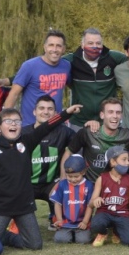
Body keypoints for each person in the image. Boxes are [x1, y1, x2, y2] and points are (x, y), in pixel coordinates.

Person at [0, 104, 82, 250]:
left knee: (35, 245)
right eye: (8, 121)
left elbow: (48, 126)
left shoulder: (27, 142)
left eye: (17, 121)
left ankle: (8, 237)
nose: (14, 124)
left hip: (24, 205)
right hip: (0, 205)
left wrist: (66, 113)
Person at [64, 97, 129, 181]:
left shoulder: (128, 134)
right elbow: (68, 152)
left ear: (121, 115)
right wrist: (63, 178)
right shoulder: (88, 132)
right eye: (110, 112)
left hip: (116, 189)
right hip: (91, 186)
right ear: (102, 115)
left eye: (118, 112)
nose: (115, 116)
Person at [24, 94, 76, 229]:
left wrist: (90, 125)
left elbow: (82, 140)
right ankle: (18, 220)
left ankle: (55, 217)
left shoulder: (65, 132)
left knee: (65, 188)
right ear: (34, 111)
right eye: (41, 108)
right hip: (27, 184)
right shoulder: (23, 133)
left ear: (56, 113)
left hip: (52, 184)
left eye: (50, 109)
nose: (46, 112)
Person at [63, 27, 127, 130]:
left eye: (98, 43)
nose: (95, 47)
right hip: (79, 123)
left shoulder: (114, 58)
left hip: (107, 123)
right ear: (82, 44)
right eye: (90, 43)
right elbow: (51, 65)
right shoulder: (71, 60)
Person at [5, 29, 71, 127]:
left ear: (63, 49)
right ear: (45, 47)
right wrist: (4, 121)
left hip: (55, 126)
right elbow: (14, 94)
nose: (55, 49)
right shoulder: (29, 66)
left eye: (59, 46)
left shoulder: (66, 66)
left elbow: (74, 87)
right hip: (31, 126)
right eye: (51, 45)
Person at [88, 146, 129, 247]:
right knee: (96, 225)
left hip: (122, 214)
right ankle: (103, 233)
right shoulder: (102, 178)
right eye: (124, 160)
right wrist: (95, 200)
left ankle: (117, 231)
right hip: (104, 213)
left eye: (128, 160)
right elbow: (90, 204)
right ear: (113, 162)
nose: (128, 163)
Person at [49, 154, 94, 244]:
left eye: (76, 176)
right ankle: (68, 234)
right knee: (60, 239)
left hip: (81, 223)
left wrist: (85, 222)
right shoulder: (62, 184)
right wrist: (59, 220)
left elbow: (90, 206)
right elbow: (57, 204)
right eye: (70, 176)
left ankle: (79, 234)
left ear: (84, 172)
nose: (73, 180)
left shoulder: (89, 185)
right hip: (66, 223)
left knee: (83, 240)